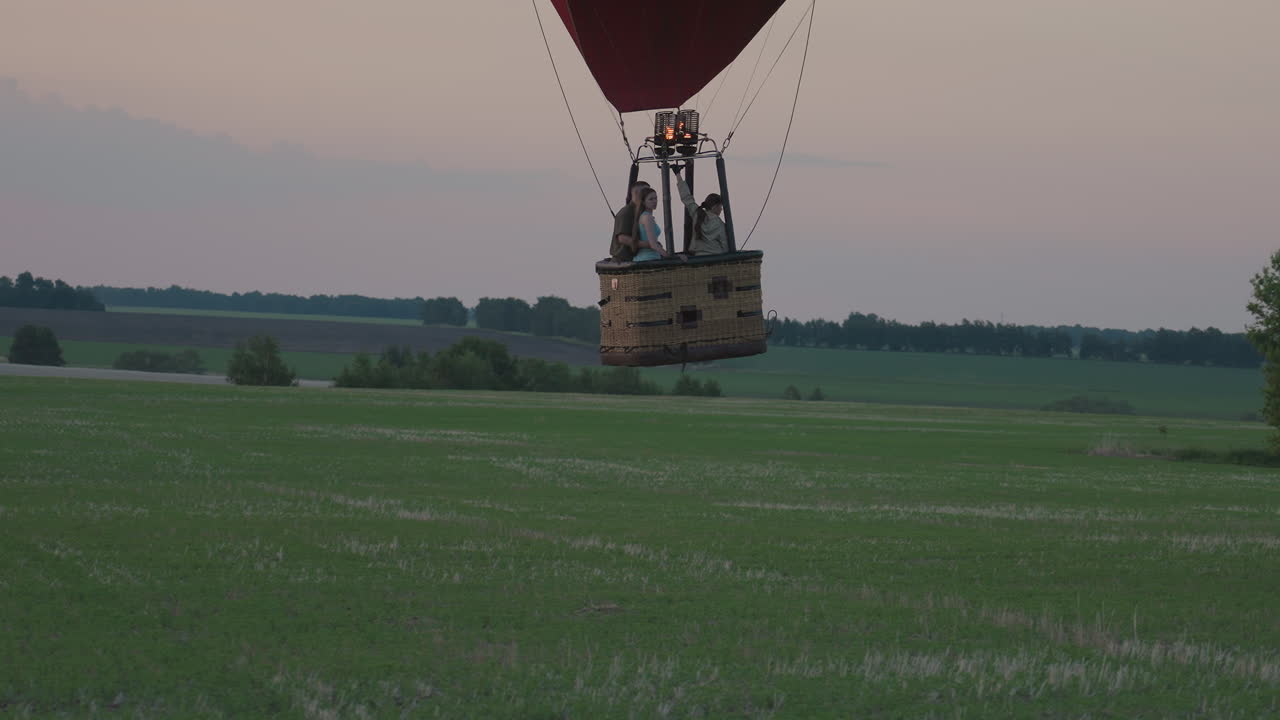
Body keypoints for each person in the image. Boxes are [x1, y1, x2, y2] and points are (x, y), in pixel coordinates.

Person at [673, 165, 728, 255]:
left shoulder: (697, 214)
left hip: (698, 256)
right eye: (720, 206)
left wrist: (678, 175)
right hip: (716, 257)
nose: (721, 209)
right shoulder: (719, 223)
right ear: (714, 207)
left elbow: (686, 197)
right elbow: (725, 244)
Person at [609, 180, 650, 262]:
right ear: (636, 193)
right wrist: (648, 245)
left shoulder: (641, 211)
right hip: (623, 261)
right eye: (646, 192)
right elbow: (622, 238)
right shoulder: (625, 213)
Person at [631, 187, 671, 262]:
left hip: (650, 257)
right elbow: (653, 244)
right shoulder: (647, 217)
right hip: (648, 258)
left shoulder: (645, 216)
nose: (654, 201)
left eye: (656, 198)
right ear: (643, 202)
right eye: (651, 199)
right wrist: (670, 256)